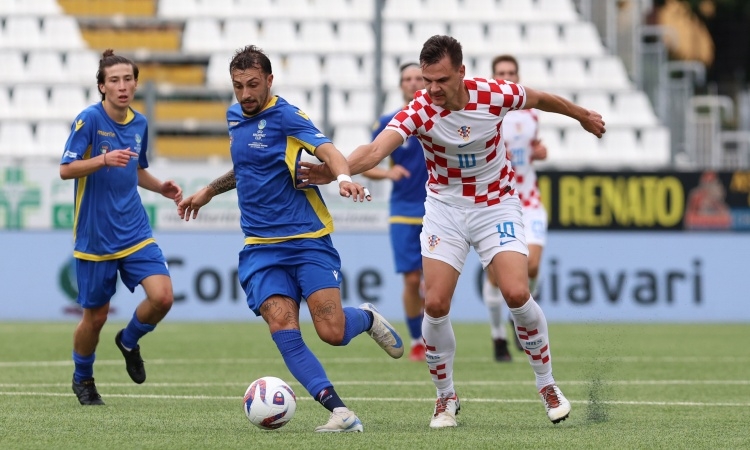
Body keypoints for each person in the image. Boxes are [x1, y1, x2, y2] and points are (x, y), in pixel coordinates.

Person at [298, 35, 606, 429]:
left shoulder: (494, 93)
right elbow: (376, 151)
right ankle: (445, 399)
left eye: (441, 79)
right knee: (437, 303)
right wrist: (339, 171)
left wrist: (581, 115)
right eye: (427, 80)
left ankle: (547, 384)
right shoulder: (421, 110)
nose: (432, 89)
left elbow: (543, 99)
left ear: (461, 72)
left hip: (497, 205)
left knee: (516, 291)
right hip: (445, 210)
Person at [176, 45, 404, 433]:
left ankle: (365, 318)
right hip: (260, 248)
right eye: (237, 86)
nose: (245, 94)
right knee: (282, 324)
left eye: (252, 84)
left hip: (308, 240)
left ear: (269, 80)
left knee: (331, 332)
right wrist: (209, 191)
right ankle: (340, 411)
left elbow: (327, 149)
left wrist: (344, 177)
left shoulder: (286, 116)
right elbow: (245, 168)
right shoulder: (235, 117)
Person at [60, 49, 183, 405]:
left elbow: (135, 168)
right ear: (102, 86)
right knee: (95, 318)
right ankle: (83, 379)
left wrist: (160, 186)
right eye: (114, 80)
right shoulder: (88, 121)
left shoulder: (140, 123)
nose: (122, 86)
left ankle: (128, 339)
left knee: (163, 297)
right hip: (96, 236)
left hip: (134, 230)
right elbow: (65, 169)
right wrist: (101, 159)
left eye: (128, 79)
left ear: (136, 83)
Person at [484, 54, 550, 362]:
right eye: (501, 73)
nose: (507, 77)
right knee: (496, 278)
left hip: (530, 201)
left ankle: (519, 315)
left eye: (512, 73)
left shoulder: (531, 114)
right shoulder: (485, 114)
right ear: (493, 77)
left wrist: (539, 152)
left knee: (532, 266)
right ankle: (498, 338)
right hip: (497, 202)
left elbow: (534, 149)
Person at [361, 62, 428, 362]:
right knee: (413, 281)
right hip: (402, 210)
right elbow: (368, 162)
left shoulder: (441, 117)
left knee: (435, 284)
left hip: (437, 210)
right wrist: (388, 174)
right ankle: (417, 339)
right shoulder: (390, 122)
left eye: (418, 78)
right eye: (407, 79)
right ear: (400, 85)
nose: (413, 83)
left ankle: (433, 337)